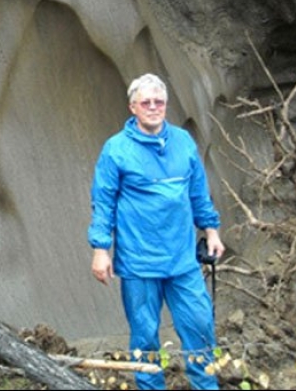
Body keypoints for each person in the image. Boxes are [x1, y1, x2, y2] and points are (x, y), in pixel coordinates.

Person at [87, 73, 225, 390]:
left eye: (159, 101)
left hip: (182, 261)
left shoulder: (183, 142)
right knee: (145, 336)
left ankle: (206, 386)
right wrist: (100, 250)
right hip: (139, 263)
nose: (153, 107)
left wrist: (212, 230)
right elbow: (103, 202)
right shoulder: (116, 150)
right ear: (132, 107)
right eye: (145, 102)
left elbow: (199, 194)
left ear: (166, 105)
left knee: (200, 326)